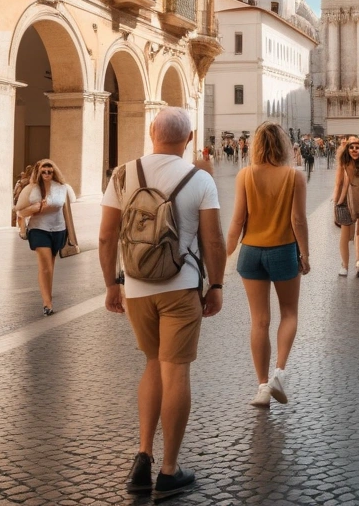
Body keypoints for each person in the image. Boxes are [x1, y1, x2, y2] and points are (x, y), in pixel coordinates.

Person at [97, 107, 225, 500]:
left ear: (152, 132)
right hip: (180, 286)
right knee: (176, 371)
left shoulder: (123, 173)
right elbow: (214, 241)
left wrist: (111, 285)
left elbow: (105, 237)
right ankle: (169, 470)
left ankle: (143, 456)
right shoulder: (200, 178)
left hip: (136, 288)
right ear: (189, 139)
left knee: (152, 364)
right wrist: (215, 285)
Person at [224, 122, 310, 408]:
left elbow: (237, 220)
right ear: (284, 146)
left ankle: (262, 387)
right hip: (283, 251)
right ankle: (279, 375)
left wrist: (224, 254)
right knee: (289, 314)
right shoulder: (294, 177)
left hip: (250, 252)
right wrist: (305, 254)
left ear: (256, 145)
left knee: (259, 321)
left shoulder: (245, 175)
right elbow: (297, 220)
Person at [15, 159, 76, 316]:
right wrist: (34, 208)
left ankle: (47, 293)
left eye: (50, 171)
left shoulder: (63, 188)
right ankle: (47, 303)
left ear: (54, 171)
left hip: (59, 230)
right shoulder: (31, 189)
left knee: (51, 266)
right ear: (38, 172)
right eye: (44, 171)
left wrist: (71, 233)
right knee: (45, 266)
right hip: (38, 230)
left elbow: (68, 208)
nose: (47, 173)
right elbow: (19, 211)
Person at [332, 137, 359, 278]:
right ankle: (347, 264)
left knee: (357, 234)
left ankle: (355, 264)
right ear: (348, 150)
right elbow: (338, 185)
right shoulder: (345, 165)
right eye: (352, 148)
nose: (354, 150)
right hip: (347, 203)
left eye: (357, 147)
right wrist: (336, 203)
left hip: (358, 202)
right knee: (348, 235)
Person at [13, 164, 34, 240]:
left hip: (21, 200)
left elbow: (16, 192)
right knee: (28, 216)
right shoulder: (32, 182)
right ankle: (27, 230)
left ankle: (22, 231)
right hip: (30, 200)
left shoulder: (21, 181)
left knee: (21, 216)